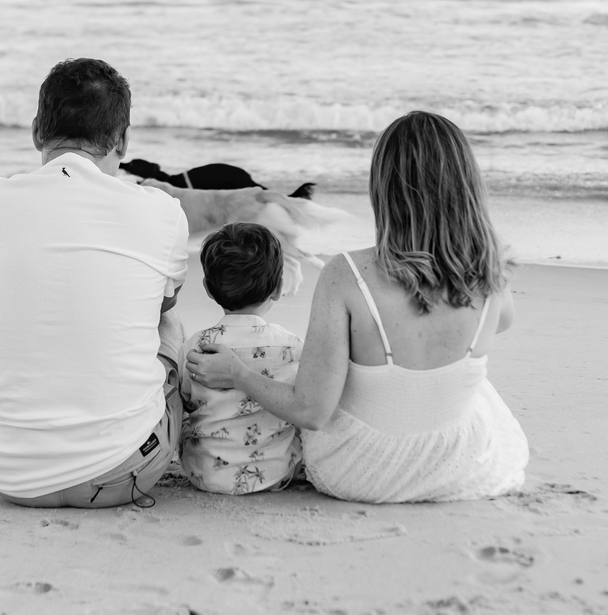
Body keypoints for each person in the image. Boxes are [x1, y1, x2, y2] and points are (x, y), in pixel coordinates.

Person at [186, 111, 529, 503]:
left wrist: (238, 373)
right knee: (477, 387)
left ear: (384, 188)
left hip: (359, 470)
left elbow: (311, 410)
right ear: (467, 187)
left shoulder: (348, 274)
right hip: (457, 466)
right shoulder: (490, 276)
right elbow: (501, 323)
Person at [0, 58, 189, 508]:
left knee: (5, 312)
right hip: (123, 474)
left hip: (5, 473)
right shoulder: (161, 212)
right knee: (169, 328)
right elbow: (161, 308)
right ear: (121, 139)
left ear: (38, 130)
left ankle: (24, 429)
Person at [179, 223, 304, 495]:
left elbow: (185, 401)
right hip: (279, 472)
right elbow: (301, 401)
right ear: (278, 288)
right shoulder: (292, 345)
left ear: (208, 289)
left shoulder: (194, 346)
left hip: (204, 474)